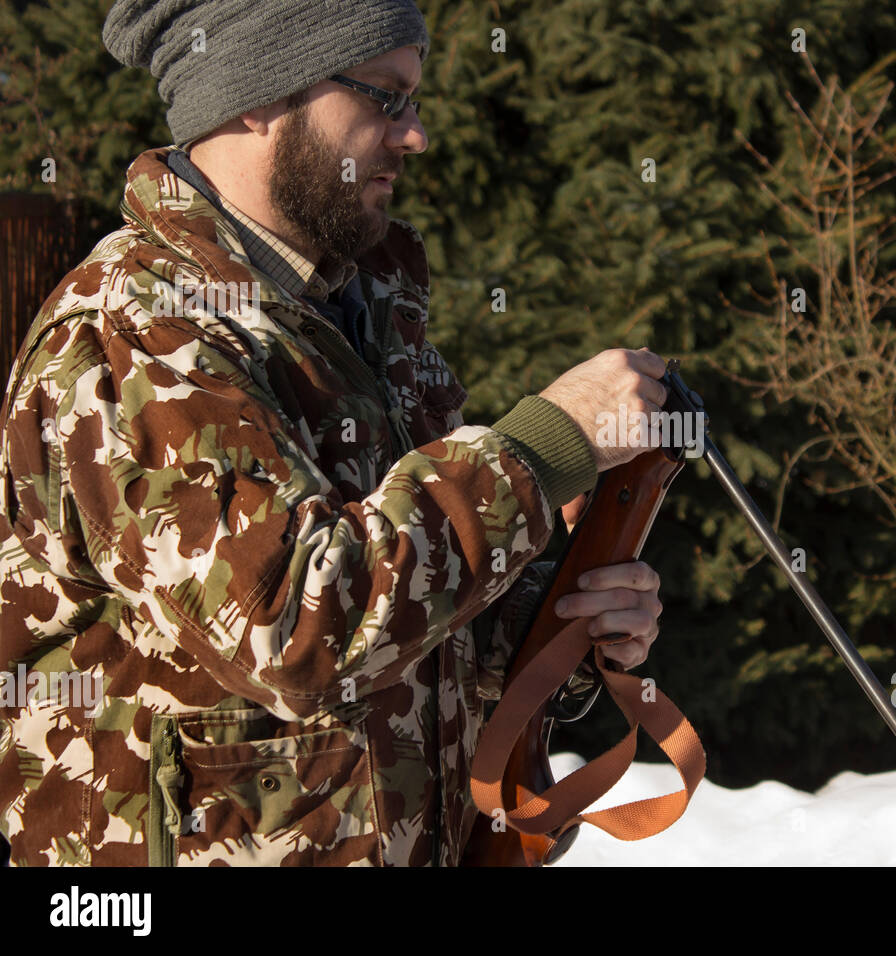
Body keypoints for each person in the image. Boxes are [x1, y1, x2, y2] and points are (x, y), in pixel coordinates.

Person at [0, 0, 668, 866]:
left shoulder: (356, 310)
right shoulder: (139, 330)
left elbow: (396, 613)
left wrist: (555, 617)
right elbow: (291, 629)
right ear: (258, 93)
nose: (415, 134)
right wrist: (540, 451)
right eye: (385, 97)